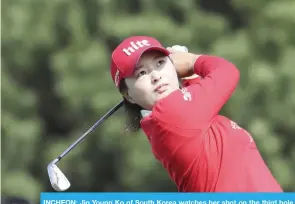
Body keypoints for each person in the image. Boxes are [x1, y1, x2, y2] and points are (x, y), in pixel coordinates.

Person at [109, 35, 283, 192]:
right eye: (141, 73)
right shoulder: (169, 114)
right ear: (128, 95)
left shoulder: (162, 121)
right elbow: (227, 72)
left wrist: (188, 75)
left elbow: (196, 99)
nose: (156, 76)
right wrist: (192, 61)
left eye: (160, 63)